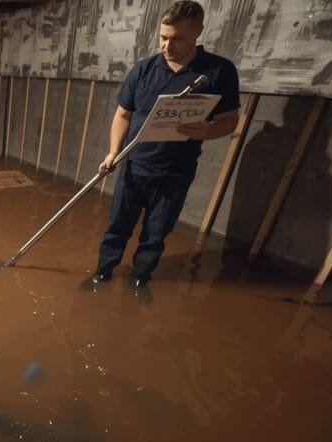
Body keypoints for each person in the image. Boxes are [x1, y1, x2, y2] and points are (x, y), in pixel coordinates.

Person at [87, 1, 240, 300]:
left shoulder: (218, 71)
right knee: (117, 226)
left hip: (175, 173)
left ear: (198, 32)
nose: (167, 45)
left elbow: (230, 119)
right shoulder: (144, 69)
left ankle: (140, 279)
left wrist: (208, 130)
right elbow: (123, 114)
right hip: (133, 166)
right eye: (163, 37)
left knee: (155, 235)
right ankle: (103, 272)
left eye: (177, 38)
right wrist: (112, 152)